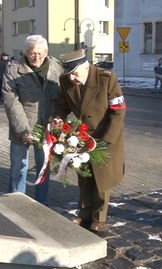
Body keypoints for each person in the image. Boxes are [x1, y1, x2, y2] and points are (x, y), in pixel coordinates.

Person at [54, 49, 126, 232]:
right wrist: (57, 119)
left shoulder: (106, 78)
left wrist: (107, 140)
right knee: (85, 177)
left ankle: (99, 217)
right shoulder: (66, 81)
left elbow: (118, 111)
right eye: (68, 74)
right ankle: (84, 212)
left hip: (106, 136)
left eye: (75, 74)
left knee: (102, 179)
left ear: (85, 67)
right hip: (81, 138)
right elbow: (62, 106)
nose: (72, 79)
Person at [2, 35, 63, 205]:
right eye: (32, 53)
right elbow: (11, 102)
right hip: (22, 126)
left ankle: (41, 203)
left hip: (47, 127)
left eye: (40, 53)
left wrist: (59, 123)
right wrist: (24, 130)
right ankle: (16, 201)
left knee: (43, 168)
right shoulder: (14, 69)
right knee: (18, 167)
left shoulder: (56, 68)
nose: (36, 57)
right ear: (25, 52)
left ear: (46, 52)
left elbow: (63, 98)